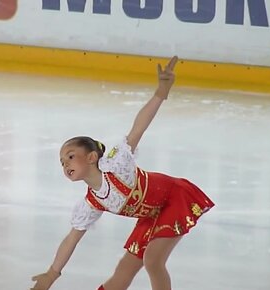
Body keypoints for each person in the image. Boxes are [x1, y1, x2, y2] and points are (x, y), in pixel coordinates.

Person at [29, 56, 215, 290]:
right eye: (61, 161)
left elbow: (139, 127)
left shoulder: (116, 164)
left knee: (153, 261)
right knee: (123, 271)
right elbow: (71, 239)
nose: (65, 164)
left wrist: (161, 92)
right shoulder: (92, 202)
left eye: (70, 156)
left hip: (175, 198)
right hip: (151, 215)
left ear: (92, 157)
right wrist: (52, 274)